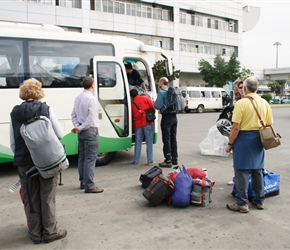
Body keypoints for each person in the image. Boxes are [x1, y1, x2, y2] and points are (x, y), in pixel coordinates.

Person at [9, 78, 67, 244]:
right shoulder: (45, 108)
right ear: (39, 92)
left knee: (30, 197)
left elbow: (13, 142)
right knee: (47, 196)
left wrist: (22, 157)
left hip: (24, 162)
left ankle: (35, 233)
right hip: (46, 161)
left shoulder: (15, 112)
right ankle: (50, 232)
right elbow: (60, 134)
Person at [225, 76, 273, 213]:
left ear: (244, 89)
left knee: (241, 171)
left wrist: (230, 143)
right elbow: (269, 124)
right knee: (257, 170)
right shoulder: (265, 103)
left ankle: (242, 203)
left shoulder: (241, 103)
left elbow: (235, 127)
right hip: (259, 139)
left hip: (244, 139)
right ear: (256, 89)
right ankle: (259, 200)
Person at [71, 77, 104, 194]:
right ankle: (89, 185)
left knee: (83, 158)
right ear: (93, 85)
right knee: (90, 159)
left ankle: (83, 182)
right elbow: (91, 118)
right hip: (90, 131)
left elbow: (73, 114)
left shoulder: (78, 98)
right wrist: (80, 127)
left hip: (81, 131)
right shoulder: (91, 99)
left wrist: (77, 126)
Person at [154, 77, 178, 168]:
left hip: (166, 117)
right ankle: (174, 158)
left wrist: (154, 103)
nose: (158, 83)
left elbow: (157, 105)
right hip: (174, 118)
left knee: (166, 139)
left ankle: (168, 160)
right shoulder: (172, 92)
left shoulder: (162, 93)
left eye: (159, 82)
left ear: (162, 82)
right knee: (173, 138)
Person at [130, 89, 156, 165]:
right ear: (138, 93)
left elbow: (131, 116)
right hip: (147, 122)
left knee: (138, 142)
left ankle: (136, 160)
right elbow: (153, 107)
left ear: (131, 96)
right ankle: (150, 160)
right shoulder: (145, 98)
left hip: (138, 124)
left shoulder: (132, 104)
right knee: (149, 142)